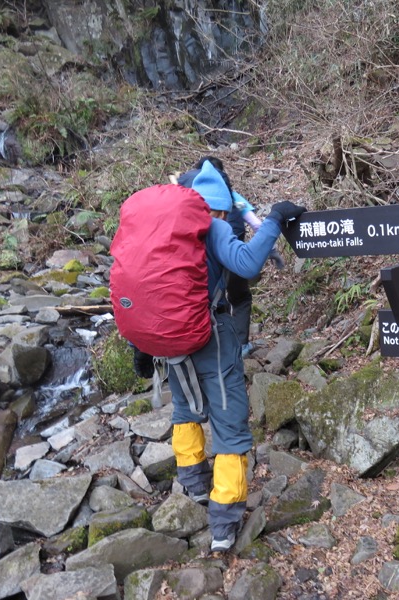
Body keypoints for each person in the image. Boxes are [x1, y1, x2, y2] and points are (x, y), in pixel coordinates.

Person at [159, 161, 305, 552]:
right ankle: (224, 525)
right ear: (219, 208)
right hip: (209, 335)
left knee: (185, 409)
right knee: (231, 425)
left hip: (168, 339)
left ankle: (193, 486)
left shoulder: (165, 226)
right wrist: (275, 219)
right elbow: (245, 262)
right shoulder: (213, 224)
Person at [177, 157, 284, 358]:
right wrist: (271, 251)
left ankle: (213, 346)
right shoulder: (227, 193)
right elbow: (256, 223)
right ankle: (241, 346)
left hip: (198, 258)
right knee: (240, 296)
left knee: (213, 298)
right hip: (235, 247)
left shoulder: (183, 190)